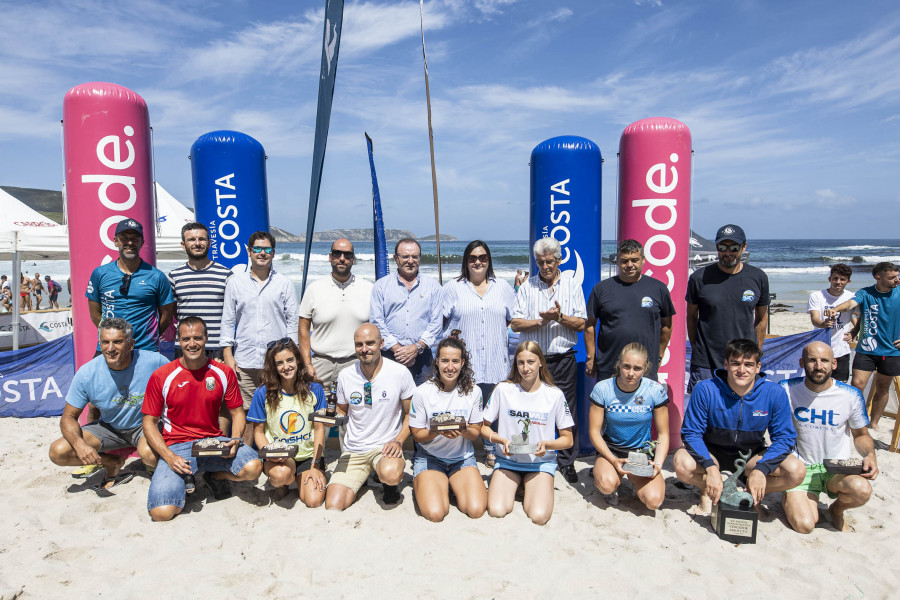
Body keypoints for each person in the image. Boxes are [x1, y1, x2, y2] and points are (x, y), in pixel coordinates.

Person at [141, 316, 263, 522]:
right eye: (186, 339)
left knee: (253, 468)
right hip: (178, 447)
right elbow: (149, 422)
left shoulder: (223, 372)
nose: (192, 344)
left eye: (197, 338)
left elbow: (237, 412)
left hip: (214, 442)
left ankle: (215, 476)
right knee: (161, 513)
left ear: (206, 338)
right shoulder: (162, 376)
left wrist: (234, 438)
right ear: (178, 340)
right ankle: (183, 483)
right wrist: (169, 457)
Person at [674, 339, 805, 514]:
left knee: (796, 471)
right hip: (713, 452)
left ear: (758, 367)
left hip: (750, 457)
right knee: (682, 463)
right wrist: (710, 468)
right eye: (736, 363)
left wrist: (761, 469)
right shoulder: (705, 389)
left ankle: (751, 494)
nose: (742, 370)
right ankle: (707, 490)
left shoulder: (774, 393)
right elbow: (691, 434)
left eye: (748, 364)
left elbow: (785, 438)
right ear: (726, 364)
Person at [48, 318, 168, 487]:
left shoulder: (155, 362)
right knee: (58, 452)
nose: (110, 348)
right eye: (105, 342)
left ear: (131, 344)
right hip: (109, 428)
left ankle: (155, 470)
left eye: (117, 342)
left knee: (148, 454)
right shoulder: (87, 373)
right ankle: (111, 462)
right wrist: (80, 445)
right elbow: (68, 417)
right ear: (100, 344)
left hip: (146, 426)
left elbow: (179, 392)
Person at [781, 341, 878, 533]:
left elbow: (861, 434)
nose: (819, 366)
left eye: (824, 360)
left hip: (836, 467)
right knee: (805, 526)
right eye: (812, 360)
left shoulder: (850, 395)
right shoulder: (786, 389)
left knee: (862, 490)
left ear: (834, 364)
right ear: (801, 363)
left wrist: (869, 455)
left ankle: (836, 509)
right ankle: (792, 497)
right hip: (800, 469)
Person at [510, 237, 586, 484]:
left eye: (550, 261)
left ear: (559, 260)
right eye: (541, 262)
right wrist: (541, 321)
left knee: (567, 411)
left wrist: (559, 317)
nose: (545, 266)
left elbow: (581, 323)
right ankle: (529, 456)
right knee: (530, 409)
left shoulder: (572, 285)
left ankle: (566, 462)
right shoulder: (527, 287)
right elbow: (515, 323)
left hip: (563, 358)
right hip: (532, 362)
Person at [325, 323, 416, 510]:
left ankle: (389, 487)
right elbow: (341, 410)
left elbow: (412, 413)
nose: (364, 349)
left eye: (370, 343)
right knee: (333, 504)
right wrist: (328, 416)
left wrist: (398, 441)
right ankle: (361, 478)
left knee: (390, 474)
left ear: (381, 343)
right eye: (359, 344)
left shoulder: (399, 373)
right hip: (353, 450)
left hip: (385, 449)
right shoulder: (345, 375)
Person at [441, 240, 516, 468]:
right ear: (466, 261)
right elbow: (440, 322)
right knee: (466, 407)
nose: (477, 262)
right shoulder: (452, 287)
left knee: (493, 410)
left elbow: (515, 321)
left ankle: (491, 449)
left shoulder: (502, 287)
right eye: (472, 258)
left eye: (482, 257)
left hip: (495, 360)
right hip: (465, 362)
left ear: (488, 260)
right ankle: (464, 450)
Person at [482, 341, 574, 525]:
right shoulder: (503, 389)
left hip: (540, 464)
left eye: (531, 362)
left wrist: (547, 445)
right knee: (497, 510)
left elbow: (568, 439)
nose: (525, 368)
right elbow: (482, 427)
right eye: (520, 362)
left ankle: (529, 487)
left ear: (541, 362)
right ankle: (519, 486)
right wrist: (500, 440)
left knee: (538, 516)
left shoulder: (554, 394)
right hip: (508, 462)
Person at [220, 231, 298, 443]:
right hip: (244, 362)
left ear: (273, 253)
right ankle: (247, 460)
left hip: (276, 363)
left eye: (267, 249)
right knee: (245, 413)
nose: (262, 253)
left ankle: (271, 457)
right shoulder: (235, 283)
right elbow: (227, 320)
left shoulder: (285, 283)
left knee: (275, 410)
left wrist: (293, 357)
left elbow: (292, 324)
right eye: (257, 249)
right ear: (249, 251)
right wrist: (228, 354)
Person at [409, 331, 487, 521]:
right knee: (436, 513)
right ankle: (436, 484)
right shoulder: (422, 392)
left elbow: (475, 432)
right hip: (430, 458)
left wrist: (463, 430)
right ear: (436, 361)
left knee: (476, 510)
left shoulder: (474, 391)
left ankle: (451, 485)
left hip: (462, 459)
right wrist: (438, 431)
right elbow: (417, 435)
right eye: (445, 361)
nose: (450, 367)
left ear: (462, 363)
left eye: (455, 361)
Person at [686, 224, 769, 389]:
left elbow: (761, 318)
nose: (728, 252)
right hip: (706, 362)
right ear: (717, 247)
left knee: (740, 411)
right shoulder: (698, 278)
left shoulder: (758, 277)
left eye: (734, 247)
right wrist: (698, 349)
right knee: (704, 411)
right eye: (723, 247)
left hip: (743, 362)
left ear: (743, 247)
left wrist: (756, 353)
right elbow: (691, 317)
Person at [588, 343, 669, 510]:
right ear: (619, 364)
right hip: (613, 450)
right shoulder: (603, 389)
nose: (631, 373)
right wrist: (613, 459)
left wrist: (658, 465)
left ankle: (636, 483)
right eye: (626, 366)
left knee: (654, 501)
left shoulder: (654, 390)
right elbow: (594, 432)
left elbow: (663, 434)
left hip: (641, 453)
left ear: (646, 368)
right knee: (606, 484)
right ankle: (611, 486)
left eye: (637, 368)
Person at [247, 338, 327, 507]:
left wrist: (315, 464)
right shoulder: (263, 392)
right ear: (273, 367)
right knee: (281, 475)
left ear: (298, 360)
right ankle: (283, 483)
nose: (286, 367)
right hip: (280, 457)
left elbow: (319, 430)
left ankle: (299, 479)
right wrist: (272, 454)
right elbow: (258, 433)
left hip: (307, 455)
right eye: (279, 363)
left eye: (290, 360)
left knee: (314, 501)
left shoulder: (315, 389)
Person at [585, 239, 675, 382]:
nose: (629, 265)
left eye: (634, 260)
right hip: (609, 367)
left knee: (644, 404)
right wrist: (591, 357)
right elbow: (589, 325)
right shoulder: (601, 289)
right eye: (624, 261)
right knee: (605, 405)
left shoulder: (659, 289)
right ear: (618, 261)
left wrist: (659, 354)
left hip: (644, 367)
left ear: (643, 260)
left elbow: (667, 325)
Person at [826, 261, 900, 429]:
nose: (896, 280)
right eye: (892, 277)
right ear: (878, 277)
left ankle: (873, 424)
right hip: (866, 349)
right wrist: (837, 310)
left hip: (892, 350)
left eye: (897, 276)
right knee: (857, 385)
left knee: (883, 387)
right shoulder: (865, 293)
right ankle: (855, 421)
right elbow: (852, 305)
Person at [86, 219, 176, 354]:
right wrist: (111, 337)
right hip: (109, 350)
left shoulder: (157, 276)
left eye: (135, 239)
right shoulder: (99, 273)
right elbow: (94, 314)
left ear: (142, 242)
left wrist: (149, 337)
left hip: (146, 349)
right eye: (124, 238)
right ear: (115, 241)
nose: (129, 242)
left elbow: (167, 316)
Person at [298, 238, 373, 387]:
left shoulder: (369, 289)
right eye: (337, 254)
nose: (342, 259)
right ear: (330, 257)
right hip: (321, 365)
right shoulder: (314, 289)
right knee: (317, 409)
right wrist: (307, 364)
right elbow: (303, 329)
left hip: (357, 364)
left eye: (347, 255)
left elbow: (377, 329)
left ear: (353, 259)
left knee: (357, 409)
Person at [370, 238, 443, 385]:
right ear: (396, 259)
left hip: (422, 358)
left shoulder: (433, 286)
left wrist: (417, 347)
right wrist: (398, 350)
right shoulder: (381, 286)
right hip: (389, 355)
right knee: (389, 402)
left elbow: (436, 323)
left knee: (421, 403)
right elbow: (376, 321)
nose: (410, 261)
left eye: (415, 256)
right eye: (405, 256)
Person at [167, 222, 233, 360]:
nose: (197, 243)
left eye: (201, 239)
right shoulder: (174, 276)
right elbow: (172, 312)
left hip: (217, 347)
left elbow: (231, 314)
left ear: (209, 243)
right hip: (185, 346)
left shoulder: (226, 275)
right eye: (191, 239)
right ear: (183, 245)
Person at [808, 263, 858, 383]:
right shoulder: (817, 296)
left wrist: (854, 331)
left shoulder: (852, 297)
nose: (838, 282)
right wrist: (823, 324)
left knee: (840, 385)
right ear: (830, 279)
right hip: (820, 349)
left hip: (842, 350)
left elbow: (861, 315)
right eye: (835, 278)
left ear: (848, 282)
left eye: (842, 279)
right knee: (818, 383)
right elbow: (814, 319)